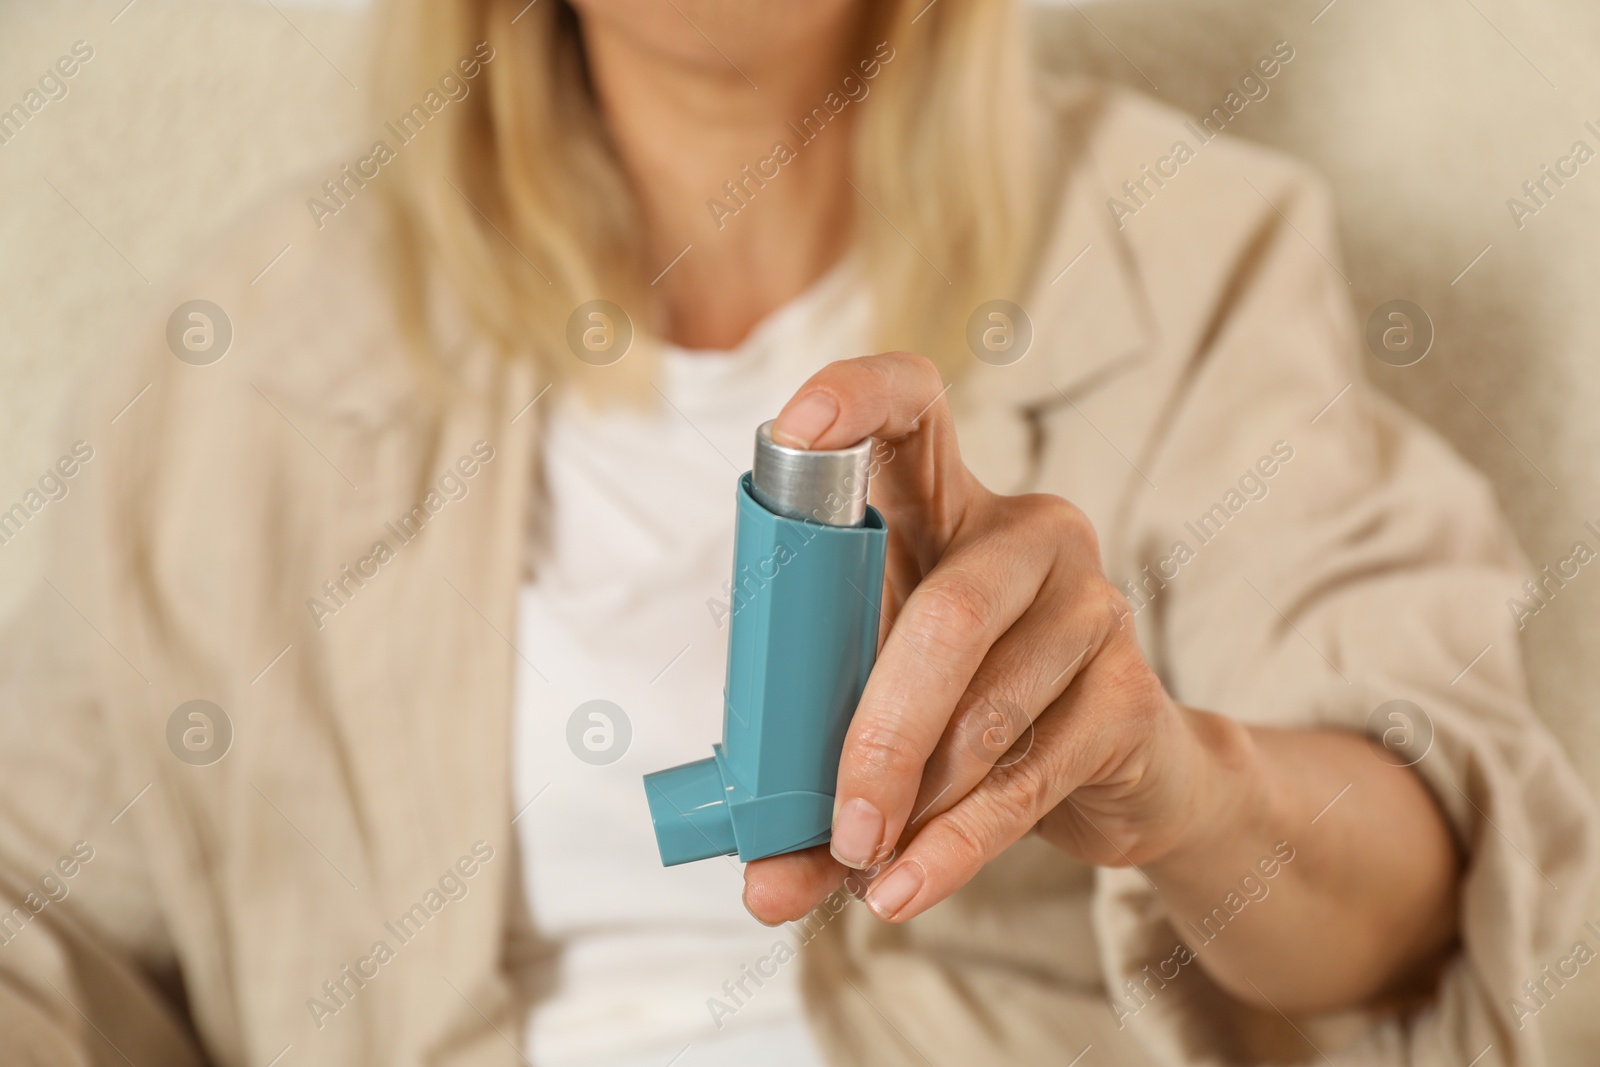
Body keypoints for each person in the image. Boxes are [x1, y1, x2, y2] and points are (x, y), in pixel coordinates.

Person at [0, 0, 1592, 1064]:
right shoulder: (246, 343)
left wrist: (1180, 785)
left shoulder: (1190, 250)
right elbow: (43, 907)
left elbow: (1435, 881)